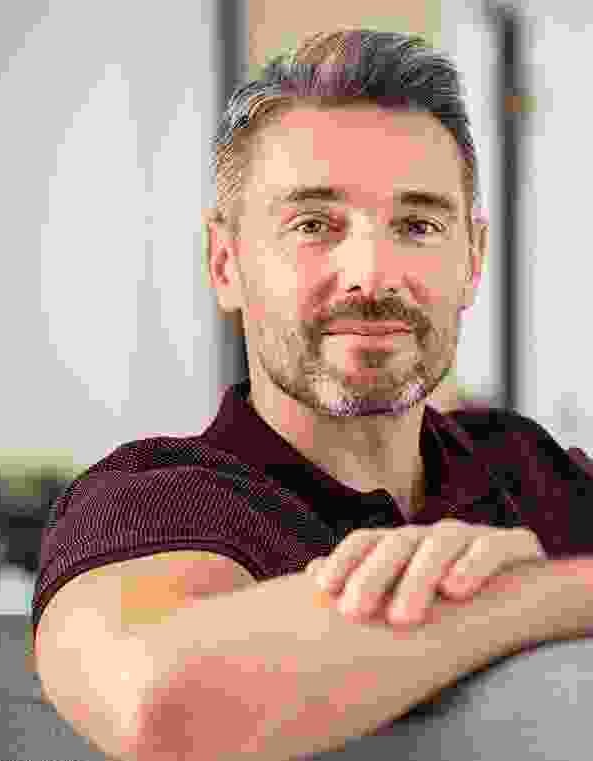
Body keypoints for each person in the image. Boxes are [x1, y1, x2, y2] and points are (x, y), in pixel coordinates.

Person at [32, 28, 593, 759]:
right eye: (313, 224)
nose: (372, 274)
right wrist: (537, 593)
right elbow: (167, 707)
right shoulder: (155, 501)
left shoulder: (531, 471)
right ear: (226, 263)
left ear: (473, 259)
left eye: (417, 224)